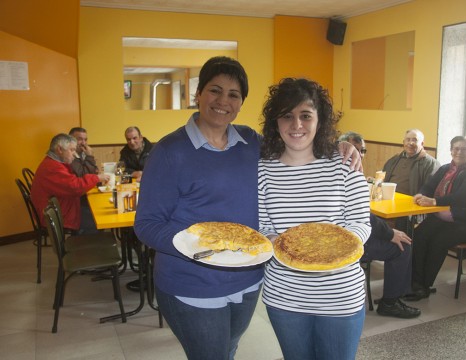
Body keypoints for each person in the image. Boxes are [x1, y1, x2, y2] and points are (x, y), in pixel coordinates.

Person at [134, 57, 361, 360]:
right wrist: (197, 245)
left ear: (241, 103)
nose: (222, 101)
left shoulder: (251, 143)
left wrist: (342, 145)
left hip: (247, 281)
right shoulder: (169, 151)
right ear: (198, 94)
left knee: (228, 350)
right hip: (194, 282)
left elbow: (299, 140)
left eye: (233, 95)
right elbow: (147, 224)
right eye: (215, 90)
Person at [258, 78, 371, 360]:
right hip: (284, 296)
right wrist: (278, 242)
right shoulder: (263, 169)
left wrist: (328, 251)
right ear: (276, 122)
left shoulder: (346, 163)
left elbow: (361, 223)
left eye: (305, 115)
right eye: (287, 116)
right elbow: (262, 226)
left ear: (320, 120)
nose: (296, 125)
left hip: (339, 295)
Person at [342, 131, 420, 318]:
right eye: (355, 150)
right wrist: (390, 233)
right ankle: (390, 303)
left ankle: (400, 293)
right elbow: (365, 216)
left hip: (350, 233)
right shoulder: (346, 174)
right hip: (349, 242)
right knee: (403, 246)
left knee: (398, 235)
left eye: (363, 151)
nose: (359, 155)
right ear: (342, 149)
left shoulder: (346, 171)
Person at [405, 136, 466, 301]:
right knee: (419, 234)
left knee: (439, 240)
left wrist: (435, 201)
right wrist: (421, 194)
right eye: (456, 148)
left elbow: (463, 196)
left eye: (464, 149)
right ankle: (414, 282)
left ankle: (424, 286)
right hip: (444, 218)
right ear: (451, 150)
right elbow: (429, 185)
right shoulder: (445, 169)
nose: (459, 152)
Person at [31, 133, 109, 232]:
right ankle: (83, 245)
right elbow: (75, 187)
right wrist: (97, 178)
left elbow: (72, 182)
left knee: (95, 211)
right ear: (60, 150)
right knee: (98, 220)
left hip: (61, 206)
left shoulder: (53, 162)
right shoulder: (53, 168)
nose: (74, 154)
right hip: (57, 215)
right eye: (71, 150)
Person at [383, 129, 440, 196]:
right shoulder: (394, 159)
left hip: (413, 203)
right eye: (408, 140)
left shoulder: (431, 164)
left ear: (422, 144)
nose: (410, 143)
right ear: (403, 142)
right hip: (388, 198)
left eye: (414, 140)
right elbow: (382, 177)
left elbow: (430, 190)